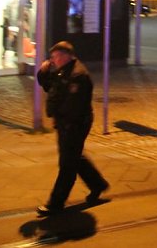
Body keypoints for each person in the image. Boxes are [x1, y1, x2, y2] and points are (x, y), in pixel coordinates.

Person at [36, 41, 108, 216]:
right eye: (52, 58)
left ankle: (56, 203)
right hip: (65, 124)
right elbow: (48, 86)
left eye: (56, 57)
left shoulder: (78, 76)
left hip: (74, 124)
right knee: (74, 157)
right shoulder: (63, 71)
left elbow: (73, 107)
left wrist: (63, 122)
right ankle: (97, 184)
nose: (53, 60)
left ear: (66, 55)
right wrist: (43, 71)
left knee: (67, 164)